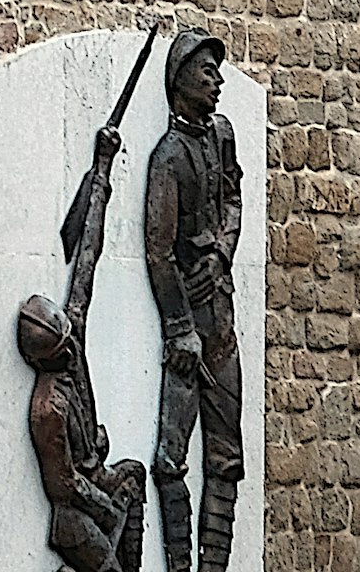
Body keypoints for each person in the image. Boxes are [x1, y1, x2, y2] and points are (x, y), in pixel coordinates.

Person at [139, 30, 244, 572]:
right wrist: (179, 327)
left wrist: (223, 251)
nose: (218, 81)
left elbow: (232, 198)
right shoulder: (168, 157)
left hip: (222, 319)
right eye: (207, 72)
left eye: (217, 72)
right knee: (169, 456)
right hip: (189, 325)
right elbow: (158, 252)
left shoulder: (222, 136)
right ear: (181, 80)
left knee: (227, 458)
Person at [23, 123, 148, 572]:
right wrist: (105, 508)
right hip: (75, 514)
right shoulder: (48, 408)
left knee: (133, 473)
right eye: (62, 350)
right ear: (44, 358)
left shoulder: (70, 338)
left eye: (69, 342)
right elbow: (63, 485)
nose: (73, 353)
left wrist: (103, 167)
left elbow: (87, 256)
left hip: (96, 478)